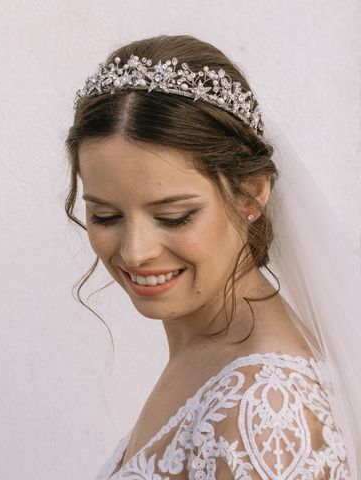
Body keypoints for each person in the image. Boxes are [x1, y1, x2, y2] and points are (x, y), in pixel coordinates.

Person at [64, 35, 360, 479]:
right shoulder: (208, 353)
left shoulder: (265, 408)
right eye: (106, 215)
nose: (135, 252)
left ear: (251, 193)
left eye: (175, 216)